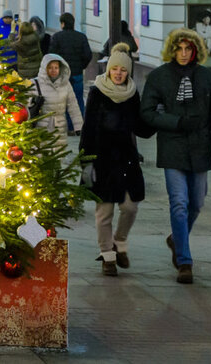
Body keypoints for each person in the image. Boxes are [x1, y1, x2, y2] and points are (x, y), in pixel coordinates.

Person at [140, 28, 211, 284]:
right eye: (179, 48)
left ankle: (176, 239)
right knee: (179, 203)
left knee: (197, 203)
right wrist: (176, 122)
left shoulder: (207, 78)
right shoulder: (159, 77)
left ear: (195, 51)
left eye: (188, 49)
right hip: (173, 146)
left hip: (201, 146)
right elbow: (147, 112)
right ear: (172, 49)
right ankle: (184, 260)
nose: (183, 53)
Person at [80, 44, 152, 276]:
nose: (119, 73)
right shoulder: (97, 92)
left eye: (123, 70)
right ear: (109, 70)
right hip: (102, 159)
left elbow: (141, 127)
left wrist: (156, 117)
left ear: (128, 72)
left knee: (130, 207)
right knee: (105, 211)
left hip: (126, 159)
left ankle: (119, 242)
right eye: (115, 69)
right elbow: (88, 128)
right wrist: (86, 161)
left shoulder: (132, 94)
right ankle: (107, 256)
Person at [30, 54, 83, 144]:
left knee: (59, 153)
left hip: (60, 126)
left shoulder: (65, 84)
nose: (53, 70)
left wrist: (78, 126)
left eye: (56, 67)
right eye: (50, 67)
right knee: (41, 153)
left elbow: (73, 106)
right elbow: (26, 105)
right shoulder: (35, 83)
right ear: (44, 68)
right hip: (40, 126)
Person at [50, 12, 93, 121]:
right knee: (78, 99)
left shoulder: (57, 37)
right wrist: (81, 66)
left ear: (63, 23)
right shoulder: (81, 37)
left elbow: (51, 55)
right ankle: (78, 125)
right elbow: (88, 55)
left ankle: (68, 125)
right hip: (77, 73)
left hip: (62, 75)